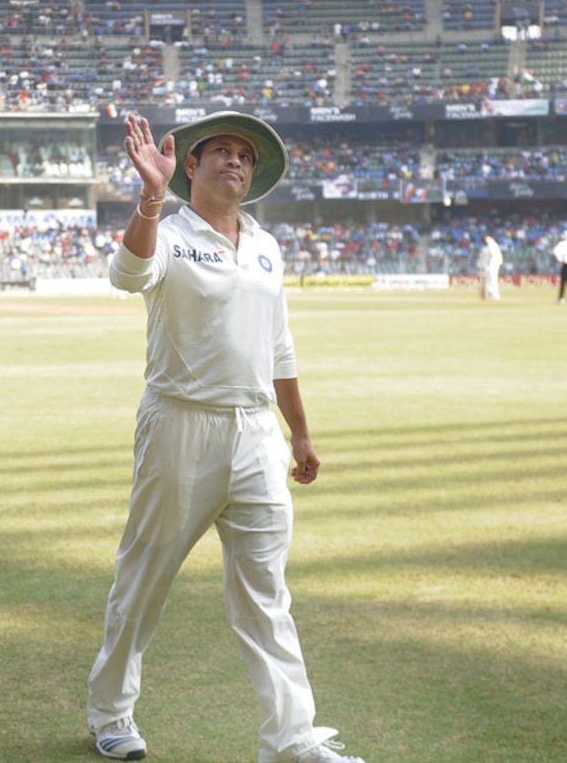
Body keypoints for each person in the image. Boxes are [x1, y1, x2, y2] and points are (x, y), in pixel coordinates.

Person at [87, 112, 365, 763]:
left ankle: (292, 739)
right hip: (179, 423)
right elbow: (127, 276)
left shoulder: (266, 247)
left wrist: (299, 434)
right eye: (221, 151)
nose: (235, 161)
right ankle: (111, 715)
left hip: (255, 433)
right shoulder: (170, 230)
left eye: (245, 154)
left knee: (266, 594)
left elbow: (280, 348)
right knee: (145, 577)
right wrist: (151, 198)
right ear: (191, 165)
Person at [477, 234, 503, 300]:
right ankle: (489, 294)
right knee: (488, 280)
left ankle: (494, 295)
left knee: (492, 280)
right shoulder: (489, 246)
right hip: (489, 265)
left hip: (492, 265)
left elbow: (494, 256)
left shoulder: (492, 245)